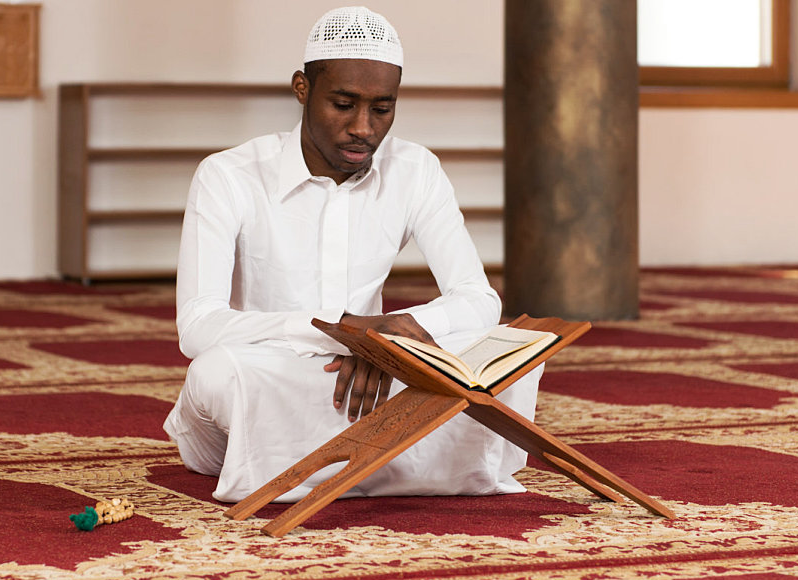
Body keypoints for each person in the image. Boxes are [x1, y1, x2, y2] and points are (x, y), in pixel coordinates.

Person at [163, 6, 542, 504]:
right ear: (302, 88)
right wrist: (342, 331)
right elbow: (199, 325)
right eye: (343, 104)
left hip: (376, 374)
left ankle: (321, 465)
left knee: (505, 351)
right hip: (275, 372)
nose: (363, 127)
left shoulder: (415, 169)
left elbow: (477, 297)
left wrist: (393, 345)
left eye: (382, 109)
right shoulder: (228, 175)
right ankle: (412, 462)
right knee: (217, 372)